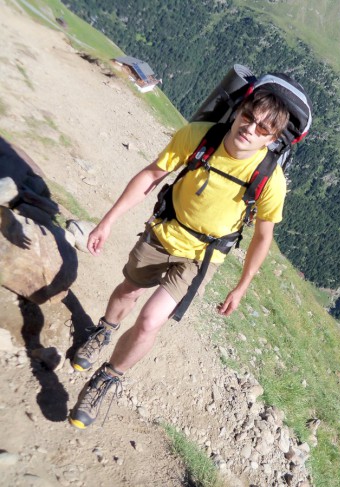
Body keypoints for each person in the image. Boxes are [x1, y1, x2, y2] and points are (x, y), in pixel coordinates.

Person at [68, 88, 290, 429]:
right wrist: (107, 222)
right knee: (128, 289)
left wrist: (242, 286)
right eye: (249, 117)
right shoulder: (198, 137)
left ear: (272, 140)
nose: (251, 128)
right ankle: (104, 330)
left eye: (263, 129)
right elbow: (152, 174)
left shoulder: (269, 177)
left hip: (202, 257)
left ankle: (107, 379)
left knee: (150, 320)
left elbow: (263, 235)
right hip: (164, 231)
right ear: (238, 112)